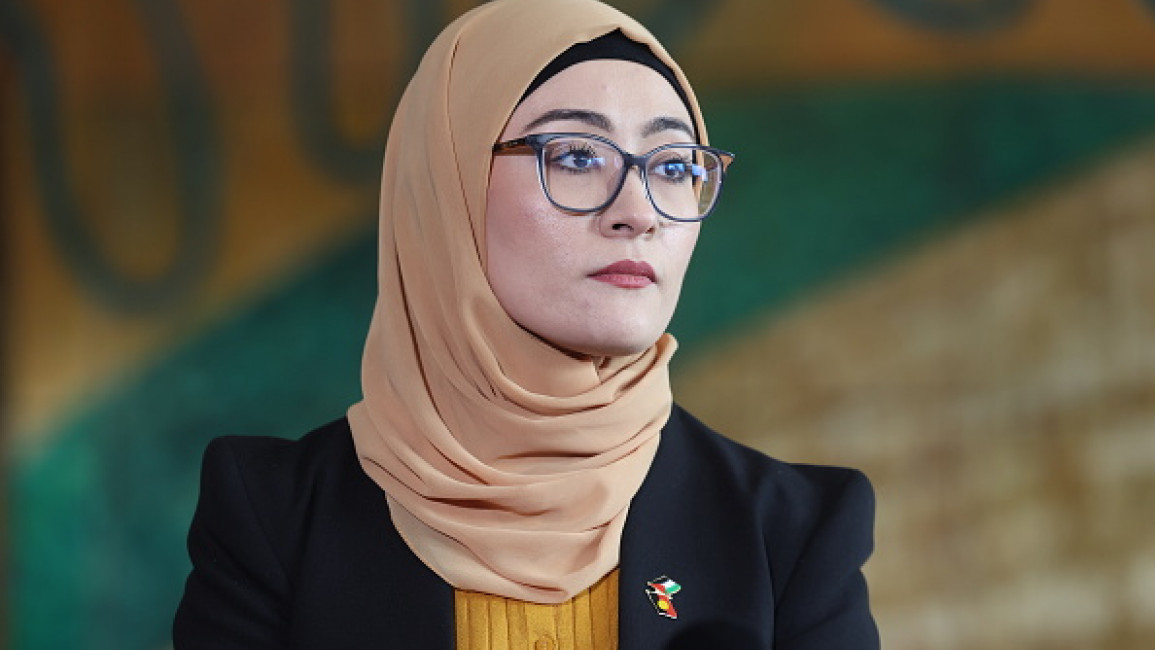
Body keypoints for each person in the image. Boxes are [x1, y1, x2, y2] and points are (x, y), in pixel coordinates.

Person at [173, 0, 879, 648]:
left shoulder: (787, 533)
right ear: (445, 187)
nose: (637, 210)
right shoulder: (275, 518)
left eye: (671, 165)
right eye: (575, 156)